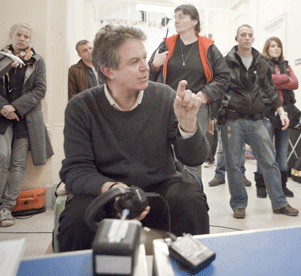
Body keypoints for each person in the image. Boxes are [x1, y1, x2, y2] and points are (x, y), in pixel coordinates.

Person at [58, 24, 210, 251]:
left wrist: (188, 124)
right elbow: (76, 170)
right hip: (108, 193)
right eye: (134, 62)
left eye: (145, 58)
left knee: (190, 200)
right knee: (76, 219)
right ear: (108, 71)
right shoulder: (81, 107)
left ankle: (190, 269)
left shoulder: (163, 96)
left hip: (159, 189)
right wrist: (112, 188)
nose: (145, 67)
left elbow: (195, 158)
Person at [218, 24, 298, 219]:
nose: (246, 38)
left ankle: (279, 203)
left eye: (250, 35)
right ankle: (239, 204)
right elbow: (219, 89)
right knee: (234, 165)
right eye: (243, 35)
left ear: (253, 39)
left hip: (257, 120)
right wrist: (214, 116)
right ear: (236, 38)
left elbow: (270, 89)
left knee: (269, 162)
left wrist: (281, 111)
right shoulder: (226, 61)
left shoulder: (261, 62)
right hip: (232, 118)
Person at [149, 4, 229, 181]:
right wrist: (155, 64)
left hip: (196, 107)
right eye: (175, 16)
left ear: (194, 21)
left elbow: (223, 76)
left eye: (182, 16)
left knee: (193, 155)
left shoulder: (209, 48)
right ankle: (171, 194)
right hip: (168, 105)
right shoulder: (166, 44)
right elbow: (147, 74)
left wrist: (204, 95)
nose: (177, 20)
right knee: (166, 152)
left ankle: (193, 198)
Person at [0, 23, 54, 227]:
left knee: (19, 163)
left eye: (26, 36)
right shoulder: (1, 58)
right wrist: (5, 107)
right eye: (18, 35)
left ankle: (6, 209)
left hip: (25, 118)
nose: (22, 39)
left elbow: (40, 90)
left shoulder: (37, 61)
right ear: (11, 35)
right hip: (2, 118)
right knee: (2, 157)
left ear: (30, 40)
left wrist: (14, 107)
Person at [255, 37, 298, 198]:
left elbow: (295, 83)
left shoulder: (286, 65)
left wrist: (278, 81)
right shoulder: (261, 64)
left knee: (282, 151)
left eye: (278, 46)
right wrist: (284, 79)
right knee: (265, 149)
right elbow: (264, 81)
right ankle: (261, 185)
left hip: (285, 111)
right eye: (272, 46)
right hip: (266, 110)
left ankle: (282, 185)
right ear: (267, 48)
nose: (276, 48)